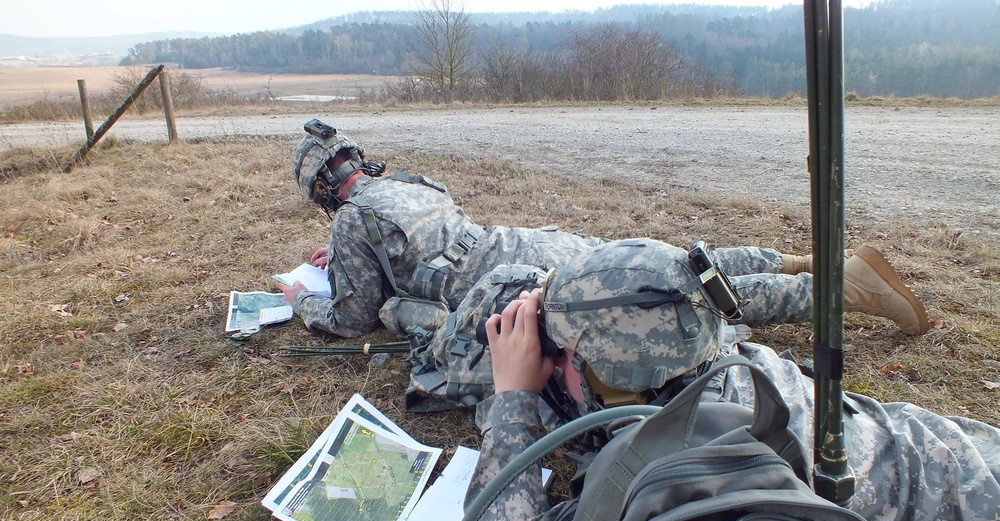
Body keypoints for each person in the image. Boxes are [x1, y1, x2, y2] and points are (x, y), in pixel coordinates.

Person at [465, 239, 999, 521]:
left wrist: (512, 399)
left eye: (558, 355)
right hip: (959, 452)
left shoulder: (665, 467)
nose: (550, 364)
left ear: (607, 381)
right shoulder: (719, 361)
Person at [275, 119, 930, 339]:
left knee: (672, 293)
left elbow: (354, 318)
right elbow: (415, 244)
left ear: (322, 194)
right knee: (675, 261)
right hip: (534, 242)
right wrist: (344, 259)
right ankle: (799, 260)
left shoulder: (354, 221)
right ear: (357, 163)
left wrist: (301, 297)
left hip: (516, 283)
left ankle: (849, 294)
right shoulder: (410, 186)